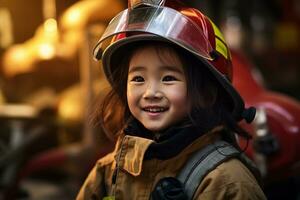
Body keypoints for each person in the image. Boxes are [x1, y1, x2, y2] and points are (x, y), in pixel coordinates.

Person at [76, 0, 267, 199]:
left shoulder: (227, 181)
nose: (150, 92)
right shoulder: (108, 174)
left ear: (206, 94)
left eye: (168, 78)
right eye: (138, 79)